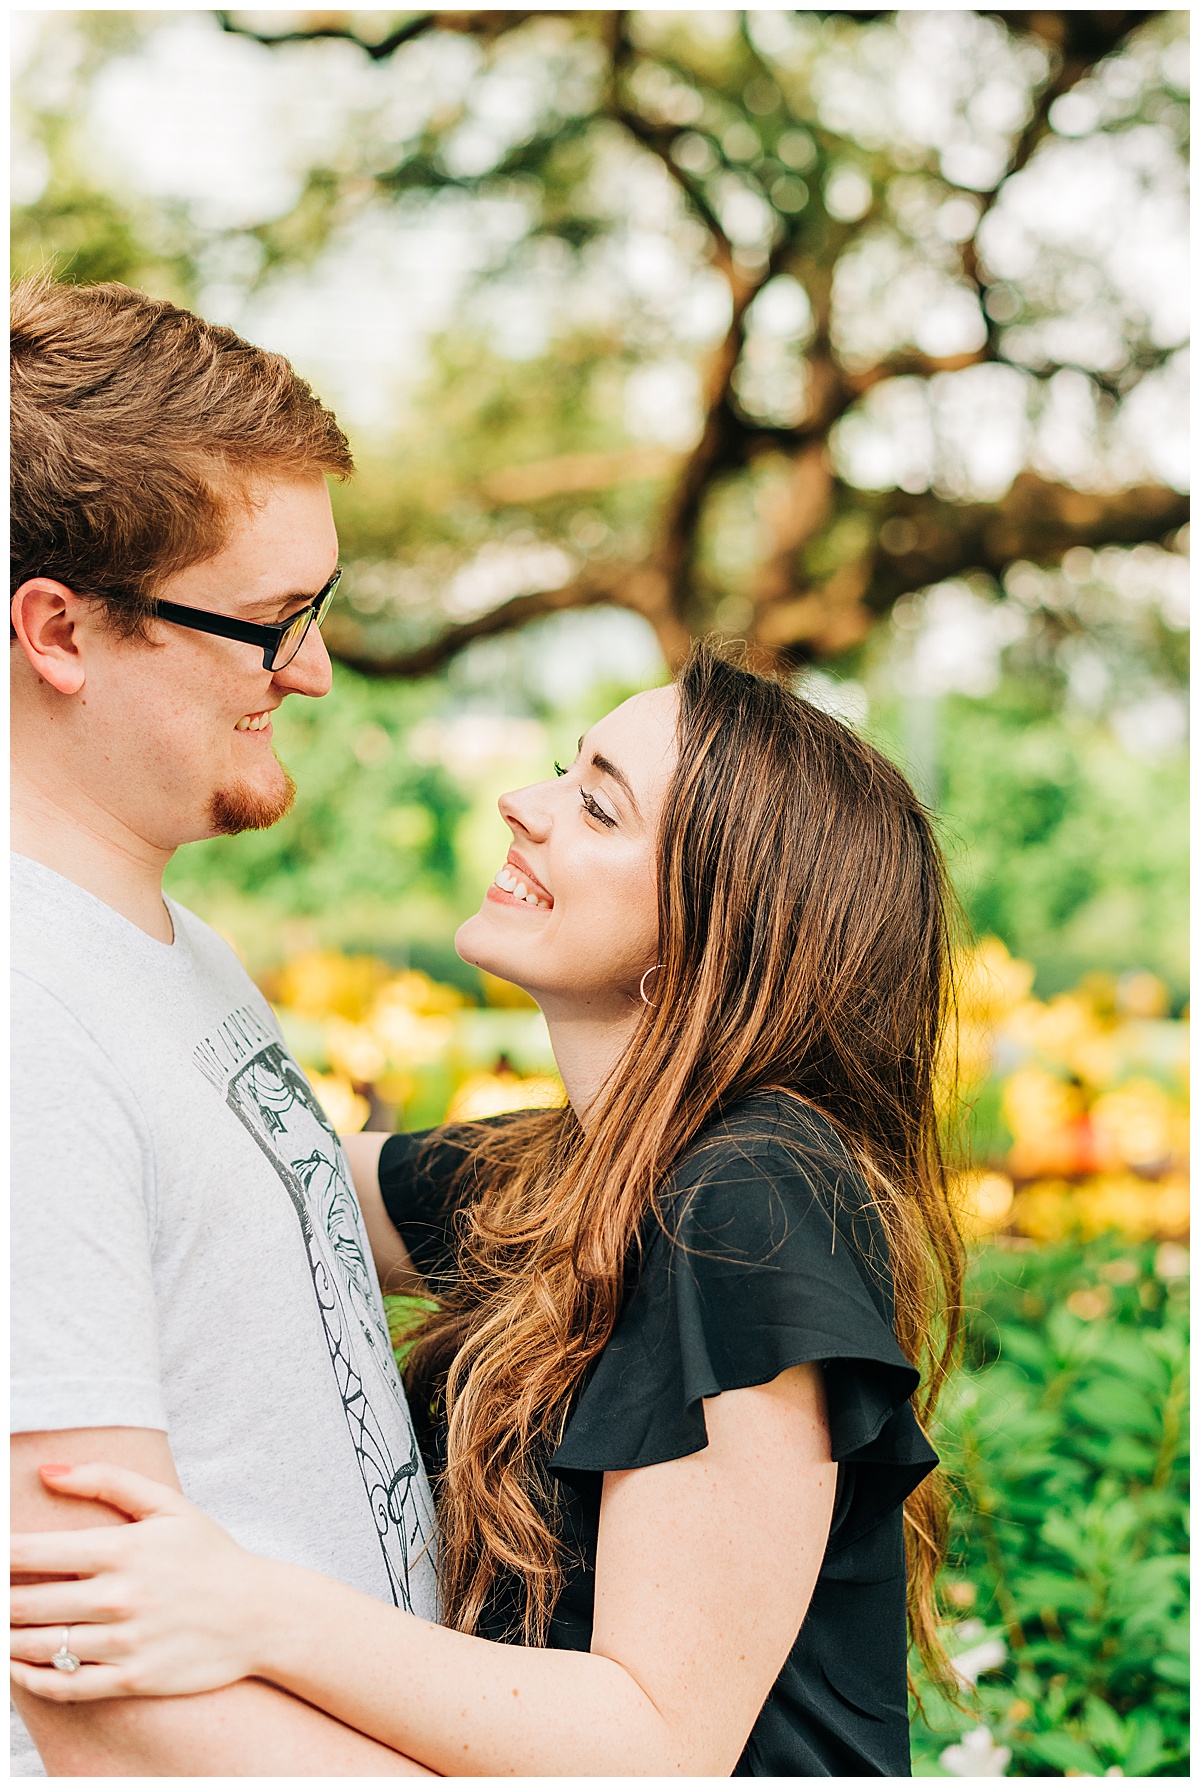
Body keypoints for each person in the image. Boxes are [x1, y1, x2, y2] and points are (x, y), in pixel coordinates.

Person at [11, 648, 966, 1776]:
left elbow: (654, 1742)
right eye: (569, 767)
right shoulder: (575, 1167)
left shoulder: (750, 1202)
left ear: (710, 933)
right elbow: (266, 1175)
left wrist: (250, 1603)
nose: (525, 801)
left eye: (597, 805)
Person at [9, 278, 439, 1777]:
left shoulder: (162, 943)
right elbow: (93, 1677)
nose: (310, 669)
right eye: (268, 622)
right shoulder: (24, 1014)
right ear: (61, 630)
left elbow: (270, 1224)